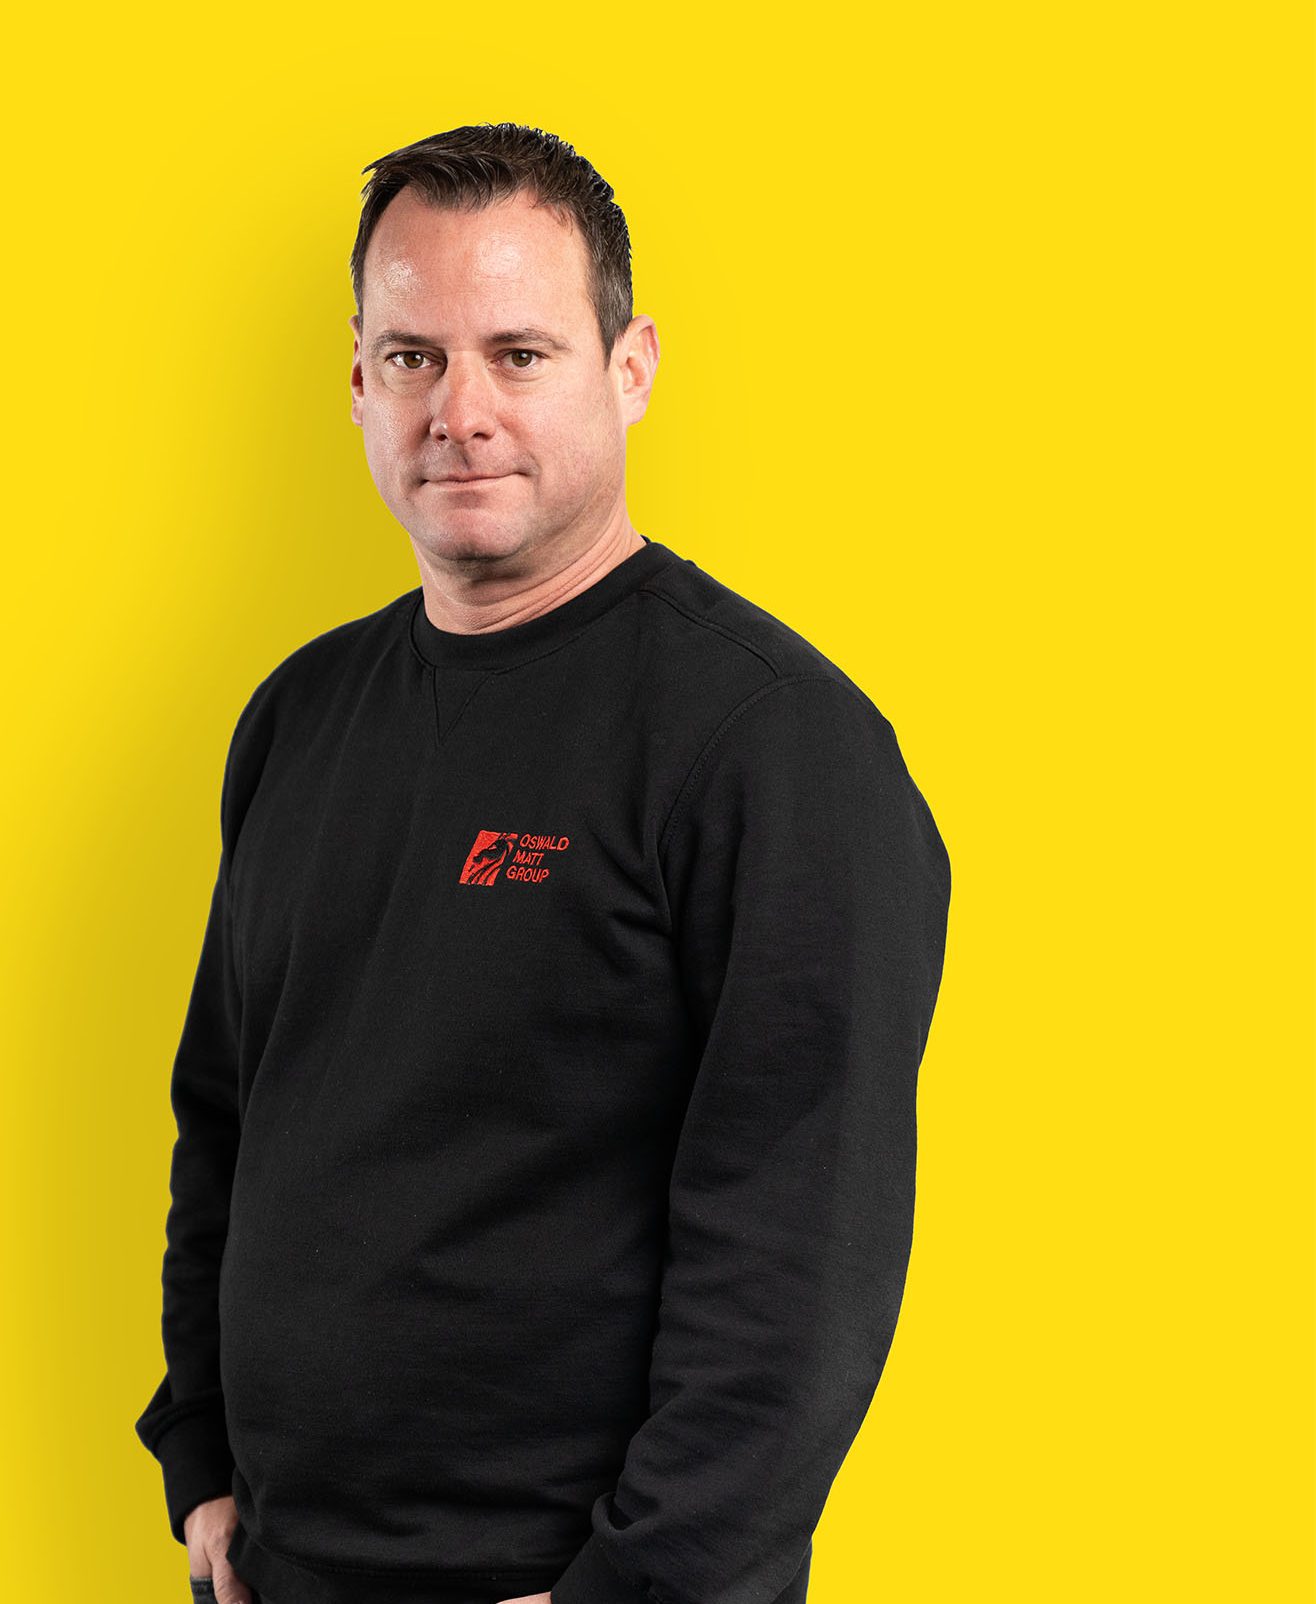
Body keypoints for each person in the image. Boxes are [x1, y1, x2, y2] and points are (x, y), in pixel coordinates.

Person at [135, 121, 952, 1604]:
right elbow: (229, 1121)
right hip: (281, 1565)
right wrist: (200, 1459)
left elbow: (802, 1253)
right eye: (413, 357)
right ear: (359, 380)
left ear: (630, 368)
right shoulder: (299, 717)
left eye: (519, 354)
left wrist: (634, 1591)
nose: (461, 412)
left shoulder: (774, 748)